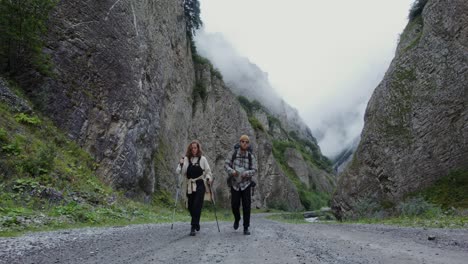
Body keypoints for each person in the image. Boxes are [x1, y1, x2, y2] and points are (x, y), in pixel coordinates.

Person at [176, 140, 213, 236]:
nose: (193, 149)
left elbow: (208, 172)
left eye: (195, 147)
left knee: (197, 205)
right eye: (192, 148)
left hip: (200, 184)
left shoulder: (203, 159)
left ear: (198, 148)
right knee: (191, 206)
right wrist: (180, 164)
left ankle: (193, 226)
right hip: (189, 185)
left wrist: (208, 178)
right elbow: (179, 172)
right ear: (190, 149)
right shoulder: (186, 159)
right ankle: (196, 222)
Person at [224, 135, 257, 235]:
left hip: (246, 184)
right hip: (235, 184)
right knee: (234, 205)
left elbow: (255, 170)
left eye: (247, 142)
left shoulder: (251, 156)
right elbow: (226, 165)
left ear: (248, 144)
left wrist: (246, 173)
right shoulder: (233, 154)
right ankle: (237, 218)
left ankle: (246, 227)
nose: (245, 143)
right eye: (243, 141)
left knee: (247, 206)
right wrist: (232, 171)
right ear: (239, 142)